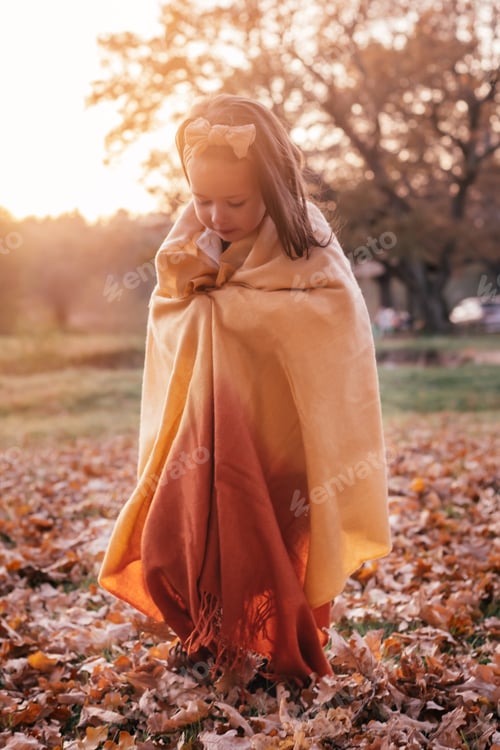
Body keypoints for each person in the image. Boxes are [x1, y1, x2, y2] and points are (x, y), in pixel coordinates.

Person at [98, 94, 391, 686]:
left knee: (268, 539)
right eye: (202, 198)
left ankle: (272, 642)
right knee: (174, 536)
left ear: (274, 186)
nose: (216, 214)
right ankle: (204, 633)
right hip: (203, 419)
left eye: (235, 201)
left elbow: (333, 320)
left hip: (275, 428)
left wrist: (228, 306)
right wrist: (197, 285)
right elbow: (172, 303)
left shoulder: (305, 237)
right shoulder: (194, 230)